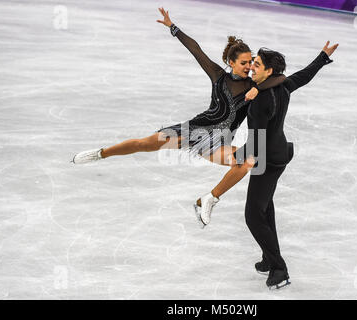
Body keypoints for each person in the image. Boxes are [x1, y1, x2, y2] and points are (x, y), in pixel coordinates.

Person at [71, 8, 284, 221]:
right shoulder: (218, 75)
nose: (249, 67)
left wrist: (260, 88)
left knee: (247, 162)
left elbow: (281, 79)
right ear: (231, 63)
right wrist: (173, 28)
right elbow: (196, 49)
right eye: (244, 63)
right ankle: (100, 153)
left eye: (250, 62)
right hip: (193, 130)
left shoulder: (255, 84)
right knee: (143, 144)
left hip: (218, 143)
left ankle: (209, 199)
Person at [201, 43, 338, 289]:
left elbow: (256, 143)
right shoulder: (281, 84)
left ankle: (279, 269)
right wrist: (322, 57)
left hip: (268, 159)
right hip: (274, 152)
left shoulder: (263, 99)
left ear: (269, 70)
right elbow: (302, 76)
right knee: (265, 209)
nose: (252, 67)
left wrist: (234, 156)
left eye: (257, 65)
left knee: (253, 215)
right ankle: (269, 257)